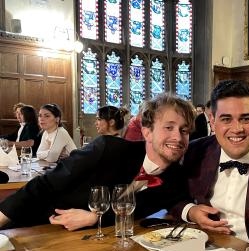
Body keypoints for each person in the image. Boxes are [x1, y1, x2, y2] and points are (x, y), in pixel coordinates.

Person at [0, 93, 195, 230]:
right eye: (168, 127)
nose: (178, 137)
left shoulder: (175, 177)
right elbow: (43, 185)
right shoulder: (108, 149)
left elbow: (137, 211)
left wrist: (95, 217)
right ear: (147, 133)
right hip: (37, 224)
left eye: (184, 130)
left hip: (90, 243)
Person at [170, 79, 249, 243]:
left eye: (245, 119)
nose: (236, 129)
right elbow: (172, 196)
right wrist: (191, 211)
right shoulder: (195, 152)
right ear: (213, 121)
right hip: (205, 247)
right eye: (226, 119)